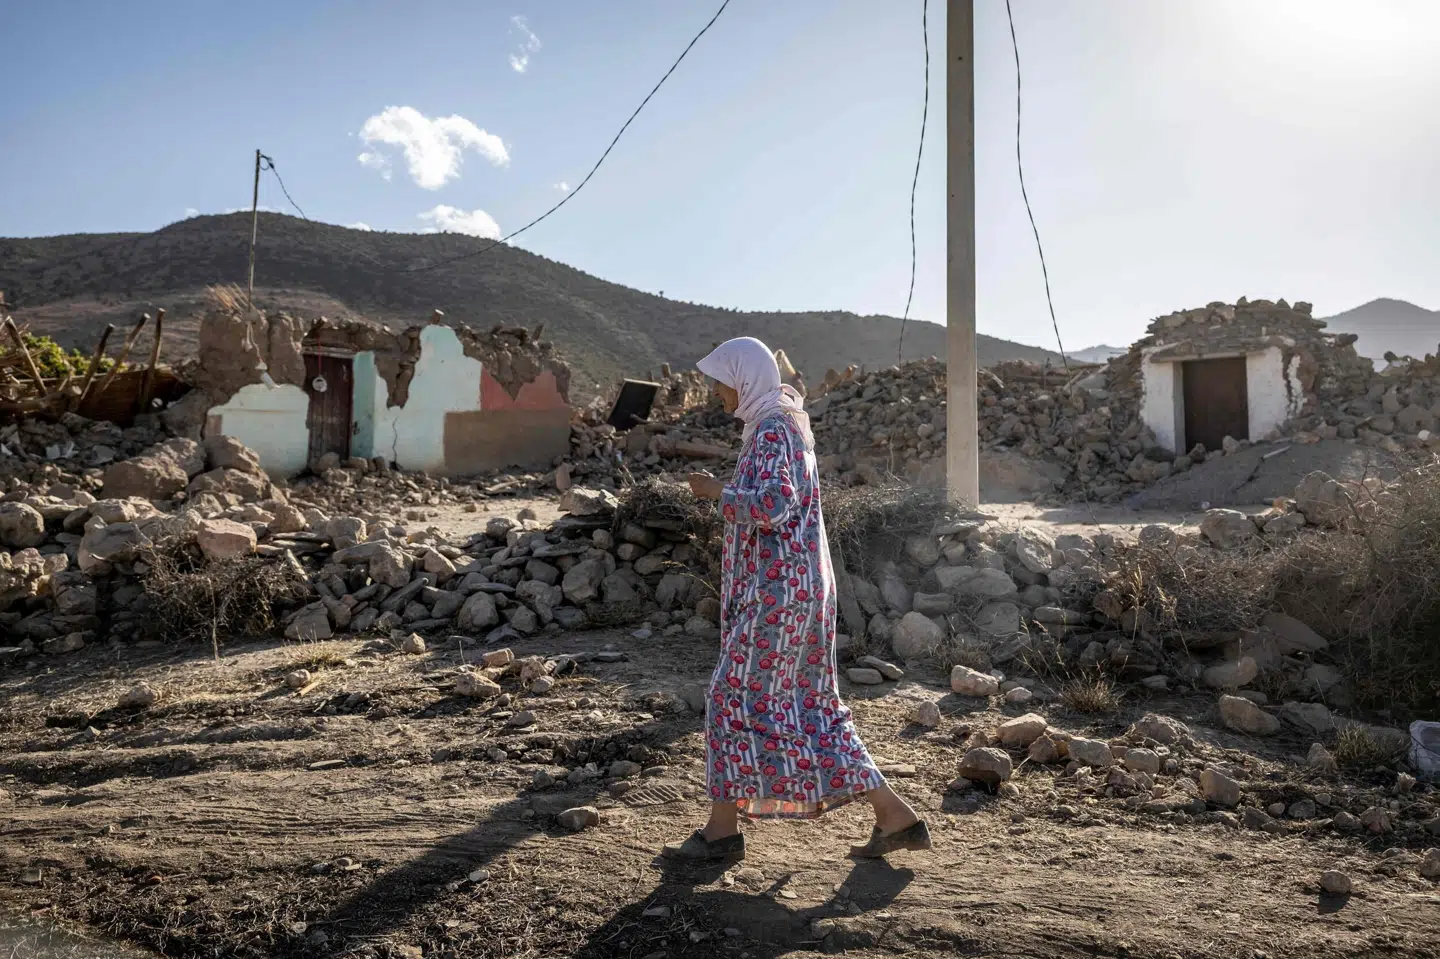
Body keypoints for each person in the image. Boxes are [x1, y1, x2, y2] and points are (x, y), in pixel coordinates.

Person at [663, 336, 930, 863]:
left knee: (731, 697)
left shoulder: (770, 430)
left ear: (743, 377)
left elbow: (774, 504)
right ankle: (894, 816)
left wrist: (716, 493)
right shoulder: (784, 425)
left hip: (777, 593)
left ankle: (721, 832)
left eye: (719, 382)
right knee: (809, 703)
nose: (715, 393)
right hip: (796, 590)